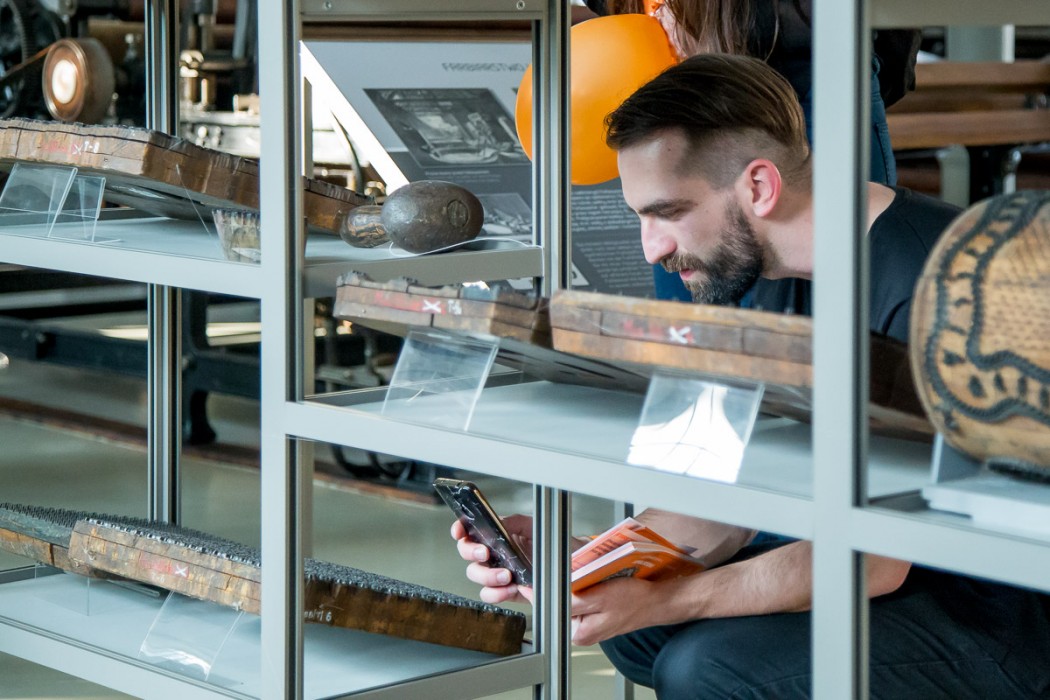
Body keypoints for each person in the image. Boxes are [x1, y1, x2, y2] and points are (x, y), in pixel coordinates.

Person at [452, 54, 1050, 698]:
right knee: (632, 628)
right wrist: (593, 559)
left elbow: (878, 559)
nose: (651, 247)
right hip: (880, 559)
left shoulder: (935, 286)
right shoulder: (753, 267)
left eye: (668, 212)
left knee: (704, 665)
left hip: (998, 608)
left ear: (760, 186)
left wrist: (669, 598)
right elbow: (719, 499)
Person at [585, 0, 921, 302]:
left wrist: (705, 20)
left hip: (806, 71)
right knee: (692, 300)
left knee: (846, 300)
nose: (649, 249)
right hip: (673, 80)